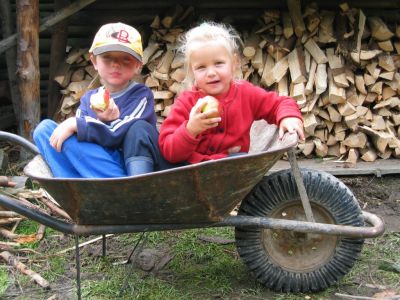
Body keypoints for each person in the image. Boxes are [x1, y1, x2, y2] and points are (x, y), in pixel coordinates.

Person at [33, 22, 168, 178]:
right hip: (95, 163)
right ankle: (72, 184)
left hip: (123, 167)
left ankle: (119, 187)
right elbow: (82, 138)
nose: (116, 64)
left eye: (126, 59)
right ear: (94, 62)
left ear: (138, 65)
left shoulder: (140, 95)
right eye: (107, 57)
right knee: (43, 129)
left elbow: (118, 134)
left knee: (136, 127)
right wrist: (86, 123)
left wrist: (80, 124)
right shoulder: (89, 99)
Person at [158, 22, 305, 164]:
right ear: (192, 70)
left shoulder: (246, 94)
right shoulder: (187, 103)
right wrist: (190, 129)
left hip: (232, 167)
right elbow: (168, 150)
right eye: (201, 67)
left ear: (234, 63)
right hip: (191, 169)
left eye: (219, 63)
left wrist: (288, 117)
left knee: (239, 159)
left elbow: (280, 103)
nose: (211, 73)